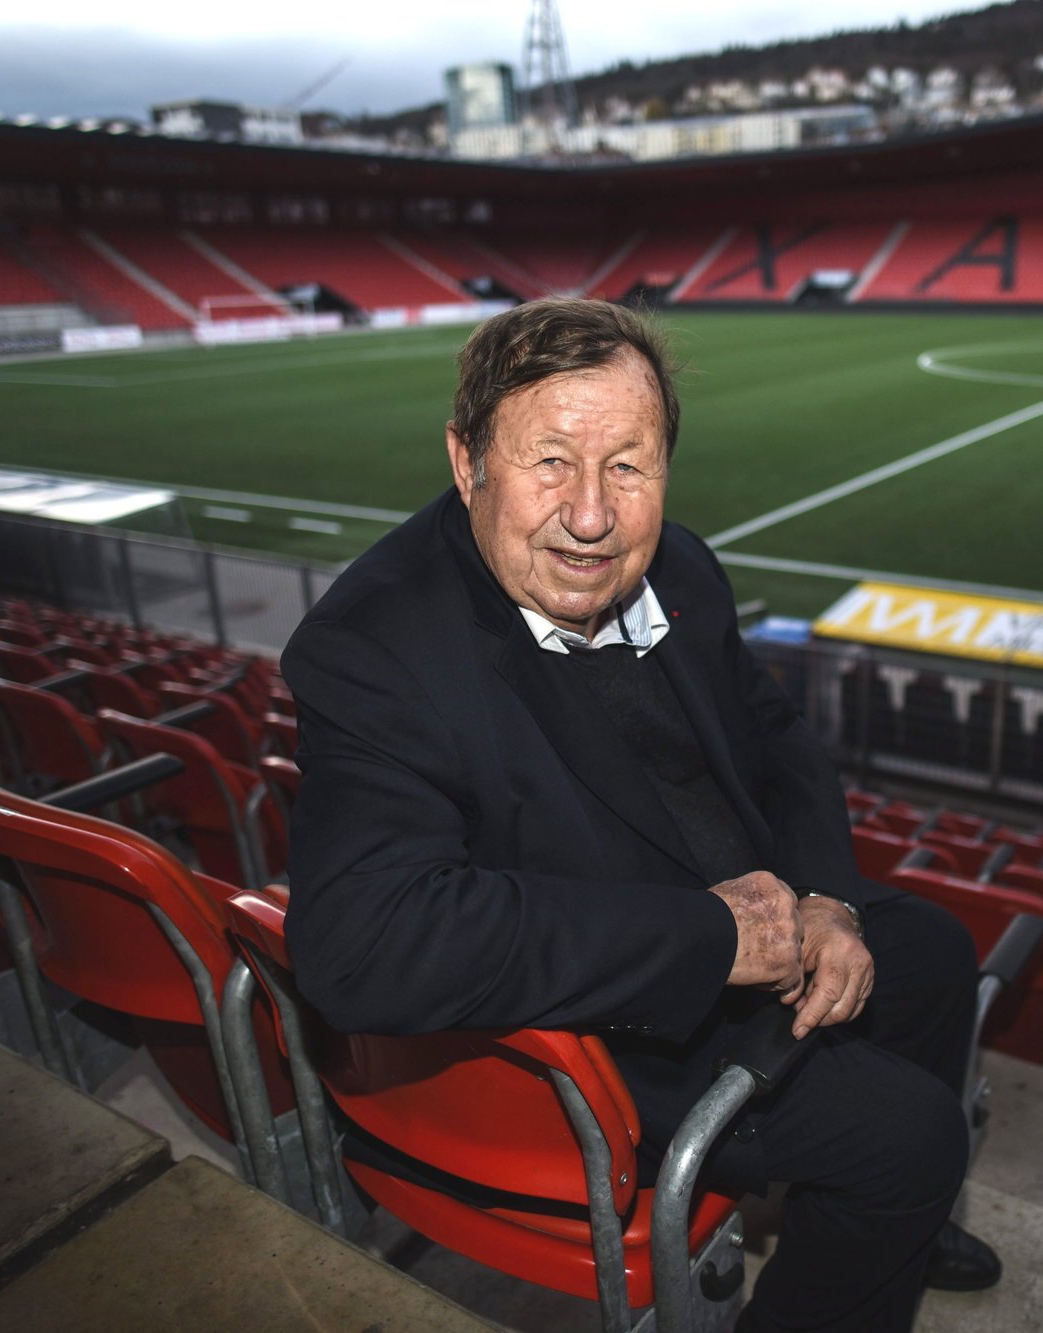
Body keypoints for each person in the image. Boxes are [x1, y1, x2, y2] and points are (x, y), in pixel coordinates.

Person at [281, 297, 1001, 1331]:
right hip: (601, 1015)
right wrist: (712, 939)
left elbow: (778, 735)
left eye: (628, 464)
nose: (590, 514)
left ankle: (889, 1233)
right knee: (913, 1138)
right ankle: (887, 1210)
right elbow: (359, 944)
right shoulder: (377, 647)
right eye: (549, 462)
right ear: (465, 459)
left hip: (748, 910)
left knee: (929, 947)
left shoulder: (683, 567)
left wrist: (827, 899)